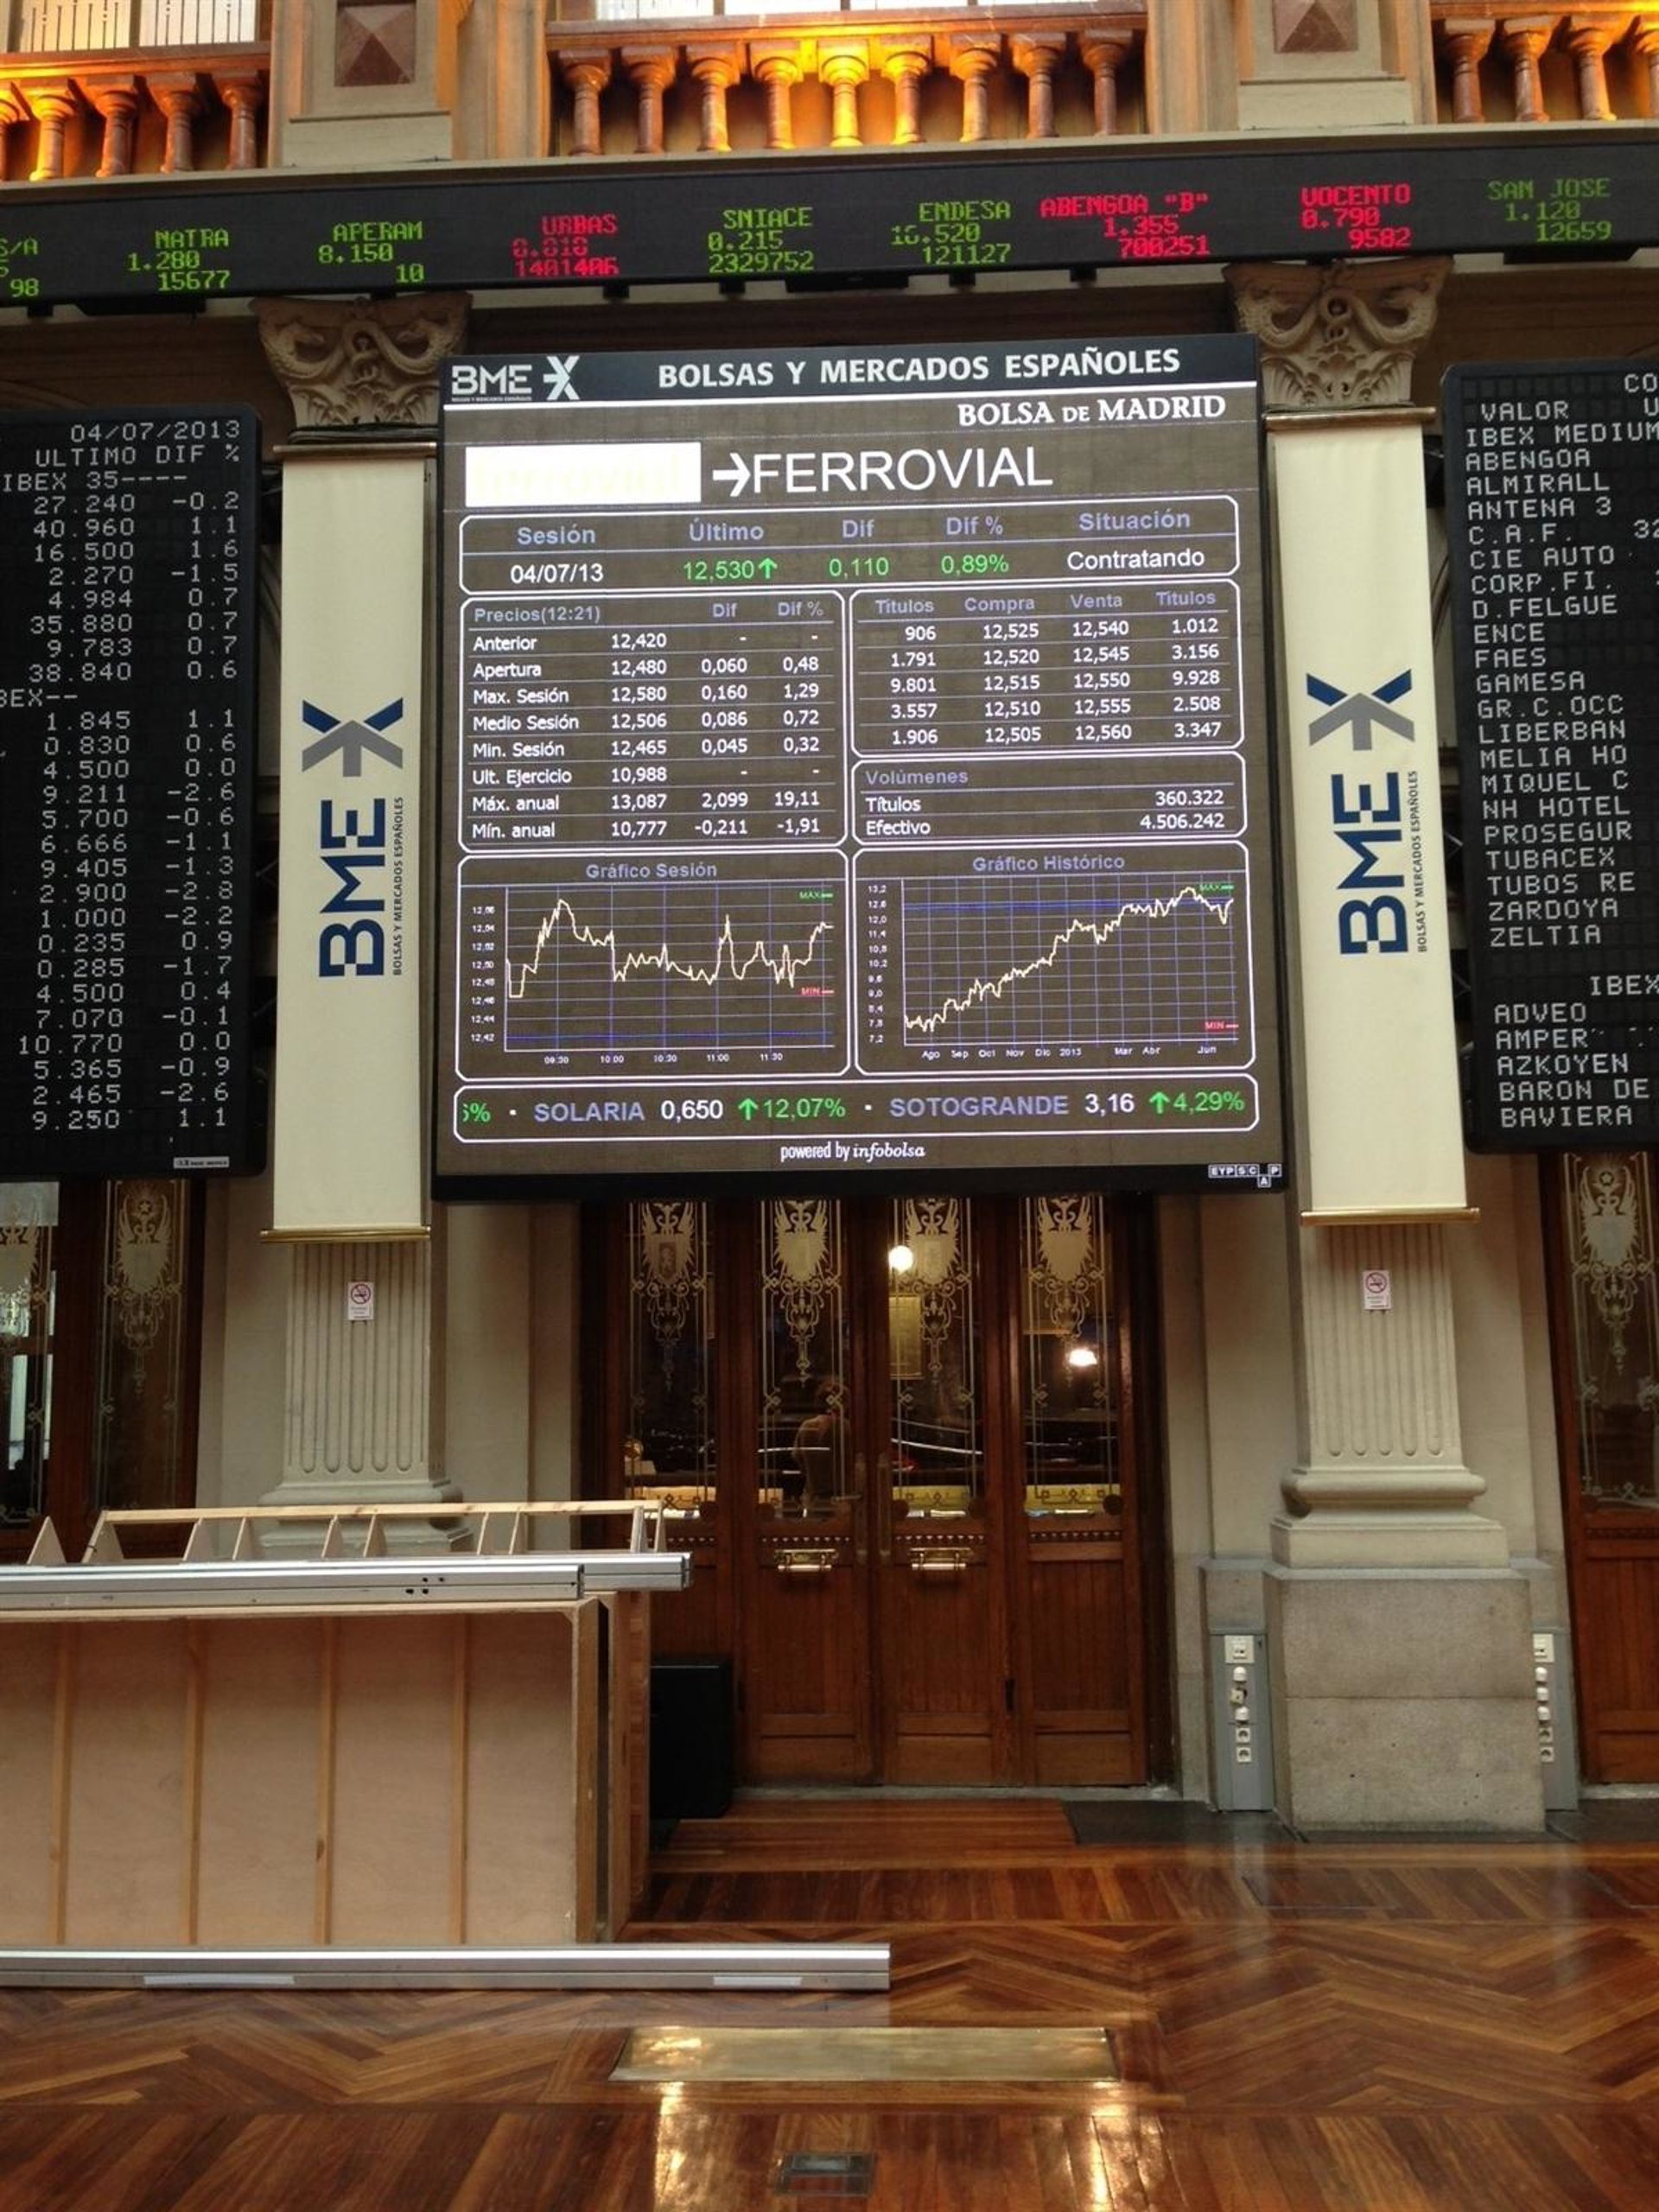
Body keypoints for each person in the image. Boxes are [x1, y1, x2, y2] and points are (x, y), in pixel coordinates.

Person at [791, 1376, 845, 1516]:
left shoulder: (807, 1426)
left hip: (815, 1498)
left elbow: (797, 1457)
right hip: (844, 1499)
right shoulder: (848, 1427)